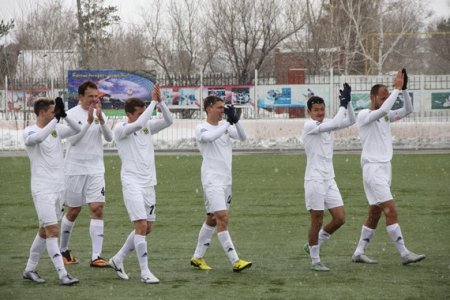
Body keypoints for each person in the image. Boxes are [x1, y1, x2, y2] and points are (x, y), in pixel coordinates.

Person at [351, 69, 425, 265]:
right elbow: (383, 111)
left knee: (374, 213)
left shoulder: (384, 116)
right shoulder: (364, 115)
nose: (385, 101)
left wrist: (404, 90)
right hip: (373, 169)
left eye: (386, 98)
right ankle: (404, 253)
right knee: (390, 210)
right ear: (372, 97)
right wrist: (396, 89)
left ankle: (358, 253)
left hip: (384, 168)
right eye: (381, 97)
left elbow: (407, 111)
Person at [108, 83, 173, 284]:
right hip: (132, 183)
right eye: (139, 112)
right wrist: (153, 101)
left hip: (148, 183)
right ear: (129, 114)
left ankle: (117, 259)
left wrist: (160, 102)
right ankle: (145, 272)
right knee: (141, 225)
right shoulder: (120, 128)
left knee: (147, 228)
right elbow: (137, 124)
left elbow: (169, 121)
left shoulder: (146, 127)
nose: (143, 116)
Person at [190, 96, 252, 272]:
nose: (222, 111)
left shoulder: (224, 127)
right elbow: (209, 138)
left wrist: (236, 121)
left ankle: (197, 257)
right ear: (209, 109)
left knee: (211, 218)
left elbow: (243, 137)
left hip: (226, 180)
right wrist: (227, 124)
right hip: (212, 181)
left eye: (223, 108)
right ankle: (235, 260)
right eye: (219, 107)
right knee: (222, 218)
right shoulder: (201, 128)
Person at [23, 97, 80, 285]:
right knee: (53, 230)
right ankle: (63, 274)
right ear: (41, 112)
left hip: (58, 188)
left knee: (44, 230)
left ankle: (29, 269)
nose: (54, 114)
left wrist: (64, 116)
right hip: (42, 189)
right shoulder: (30, 131)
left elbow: (76, 130)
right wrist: (57, 119)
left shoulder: (55, 128)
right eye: (51, 111)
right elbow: (38, 138)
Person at [59, 81, 113, 267]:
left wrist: (101, 119)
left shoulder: (100, 113)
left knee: (97, 208)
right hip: (74, 169)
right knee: (73, 210)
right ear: (80, 97)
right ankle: (64, 251)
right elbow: (73, 140)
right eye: (90, 96)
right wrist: (89, 122)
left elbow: (109, 138)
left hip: (96, 168)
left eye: (96, 96)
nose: (94, 99)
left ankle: (96, 256)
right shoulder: (71, 115)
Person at [302, 84, 356, 272]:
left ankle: (312, 244)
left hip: (329, 179)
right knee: (317, 219)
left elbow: (351, 120)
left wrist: (347, 103)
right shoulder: (309, 125)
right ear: (309, 111)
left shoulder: (327, 124)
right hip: (314, 179)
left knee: (340, 218)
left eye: (322, 109)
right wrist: (341, 104)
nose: (319, 112)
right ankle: (315, 259)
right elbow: (334, 123)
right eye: (316, 110)